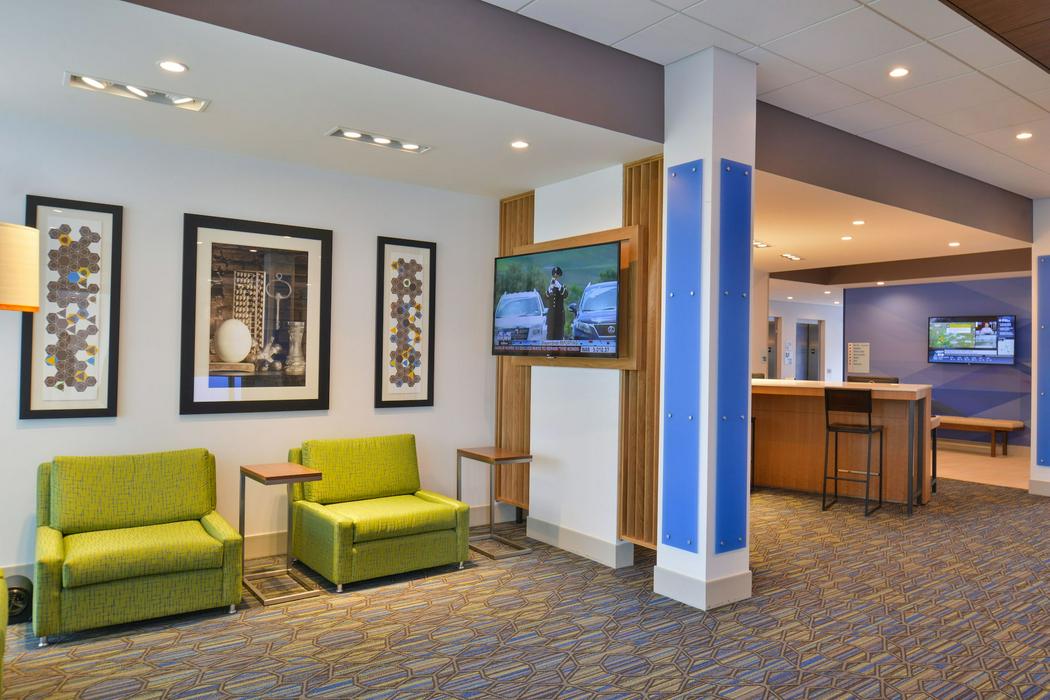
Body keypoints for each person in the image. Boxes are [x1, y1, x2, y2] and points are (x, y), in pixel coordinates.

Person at [547, 266, 568, 340]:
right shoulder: (550, 286)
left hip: (559, 316)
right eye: (554, 276)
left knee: (559, 336)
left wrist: (559, 286)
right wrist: (550, 289)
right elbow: (546, 297)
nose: (555, 278)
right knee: (550, 337)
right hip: (551, 317)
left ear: (559, 276)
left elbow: (565, 295)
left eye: (557, 276)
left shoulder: (562, 286)